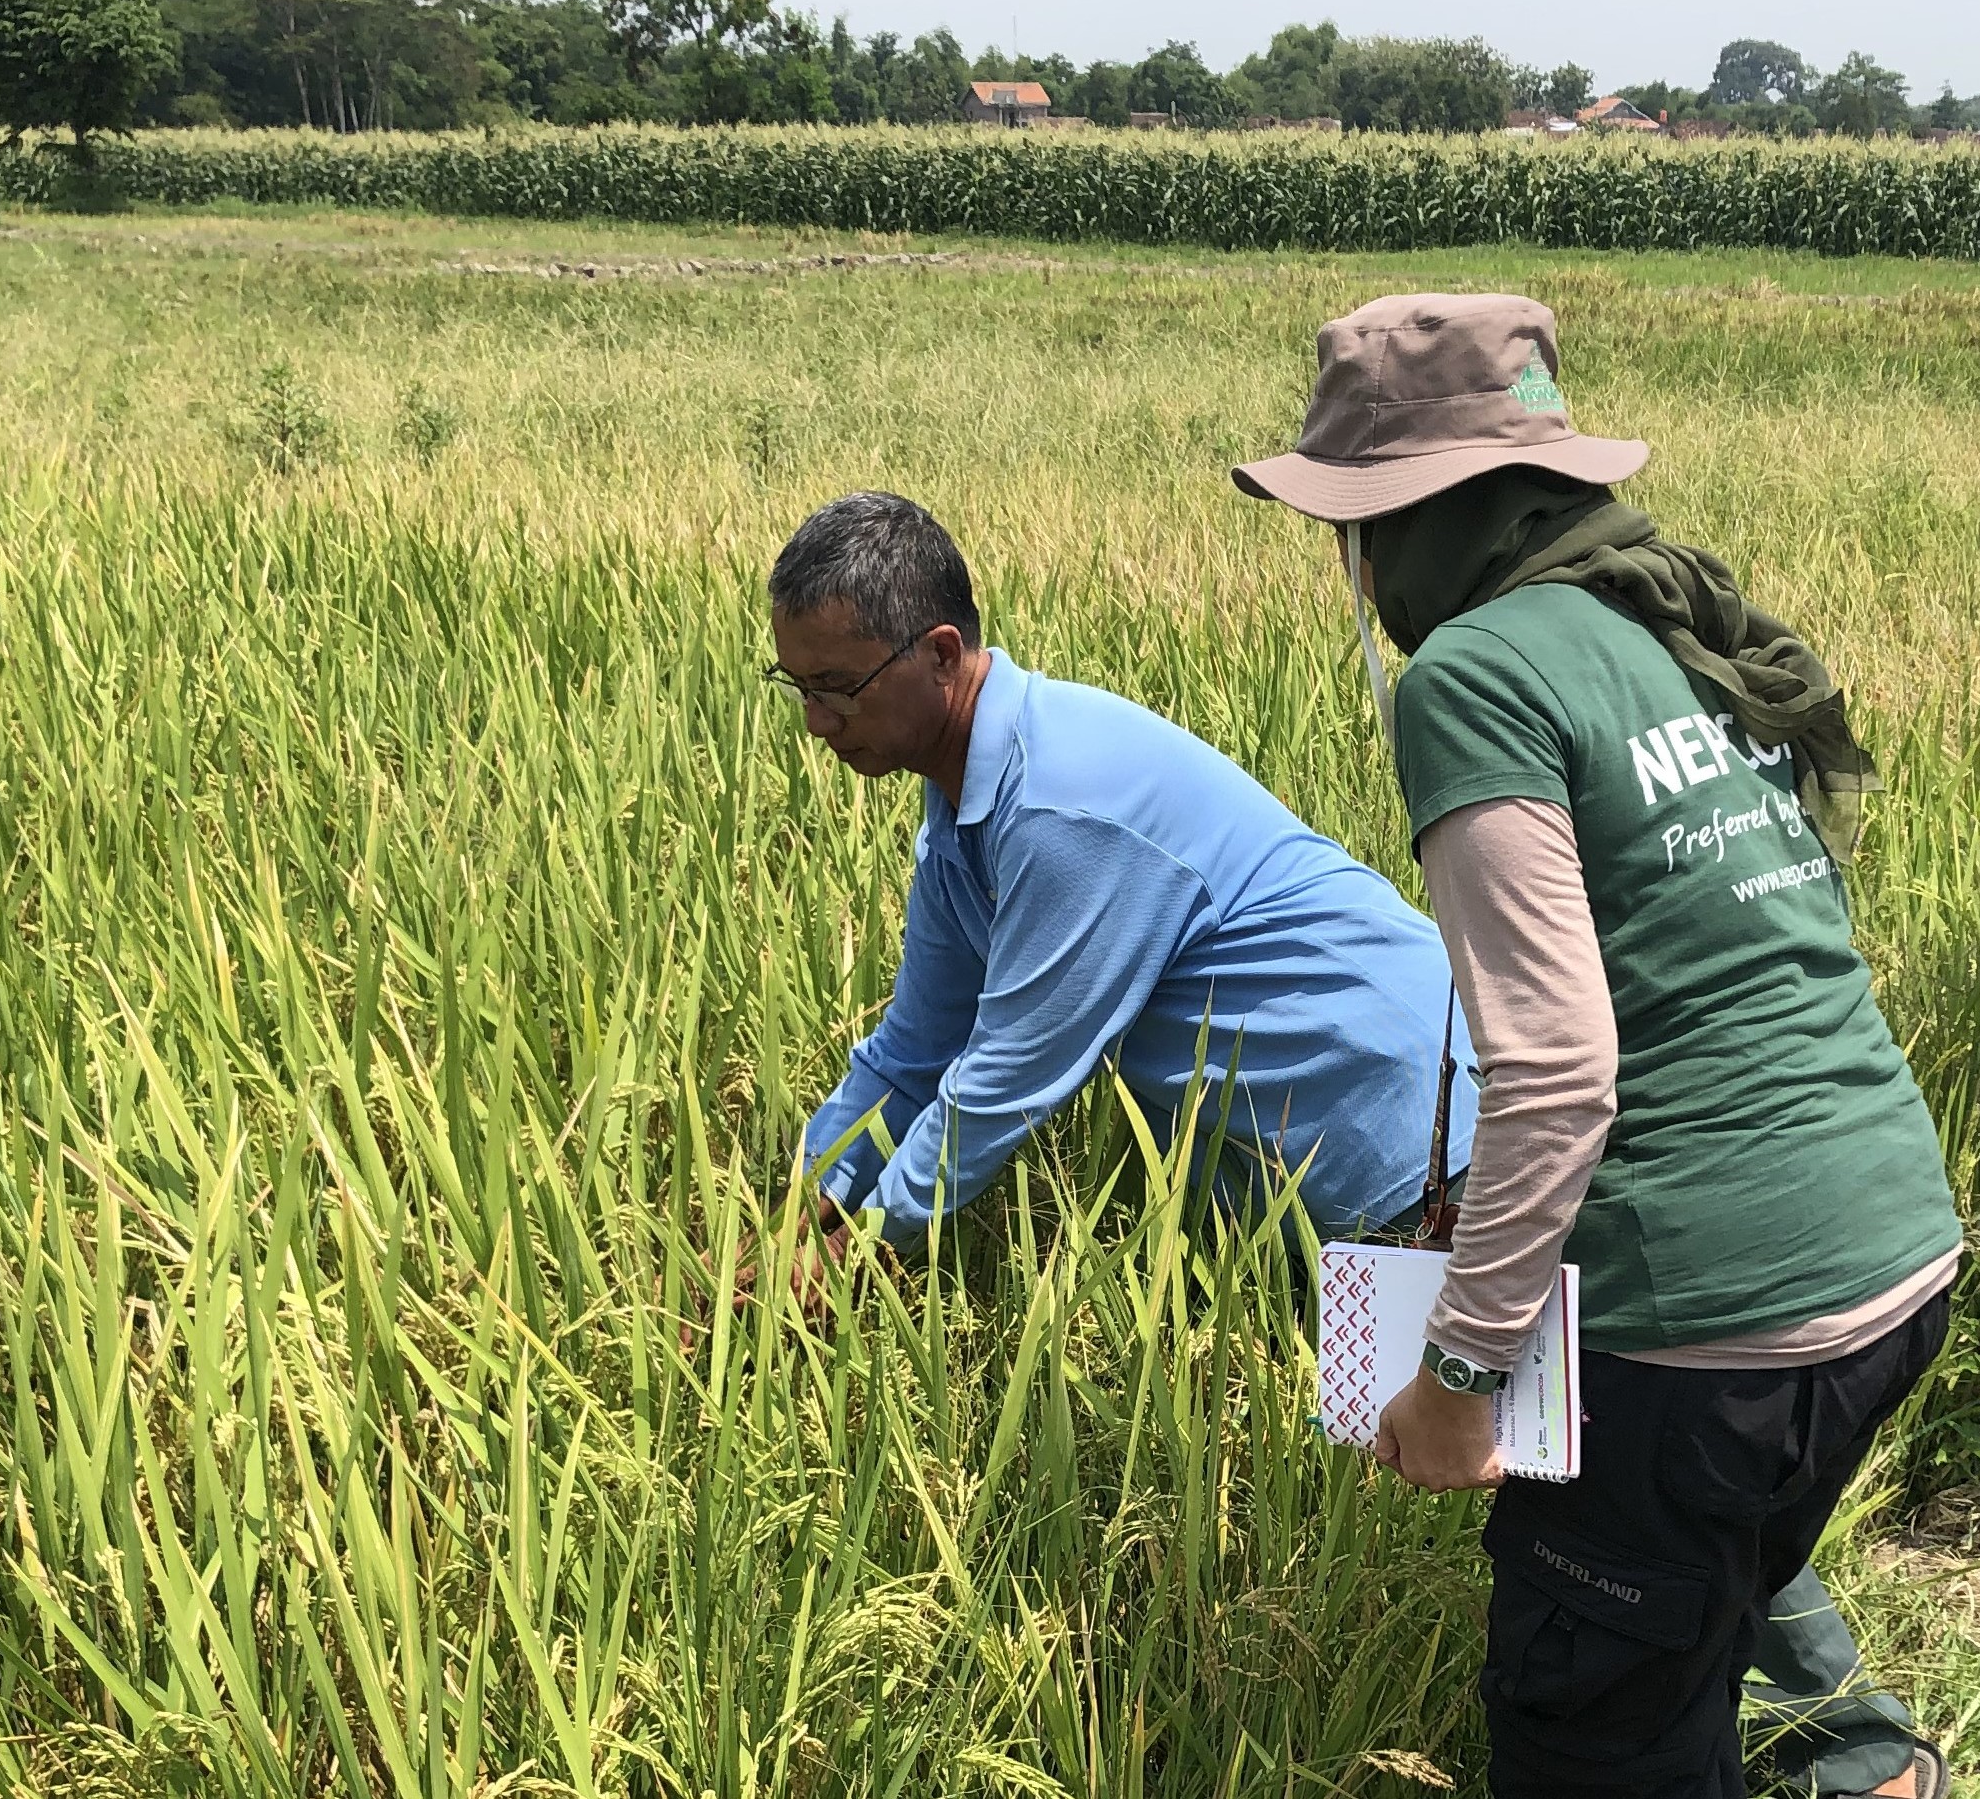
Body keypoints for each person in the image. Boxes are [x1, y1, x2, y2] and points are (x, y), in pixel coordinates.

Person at [1233, 292, 1962, 1799]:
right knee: (1697, 1637)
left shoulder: (1474, 675)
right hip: (1891, 1259)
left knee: (1594, 1741)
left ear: (1418, 511)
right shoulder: (1672, 627)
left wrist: (1453, 1374)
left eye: (1350, 525)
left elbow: (1558, 1068)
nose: (1349, 568)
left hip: (1708, 1324)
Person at [763, 489, 1476, 1294]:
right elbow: (912, 1055)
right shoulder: (965, 812)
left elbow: (1002, 1079)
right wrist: (797, 1207)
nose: (817, 722)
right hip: (1329, 1174)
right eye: (797, 688)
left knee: (1462, 1420)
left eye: (835, 686)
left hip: (1422, 1140)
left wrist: (856, 1250)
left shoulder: (1058, 807)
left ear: (938, 652)